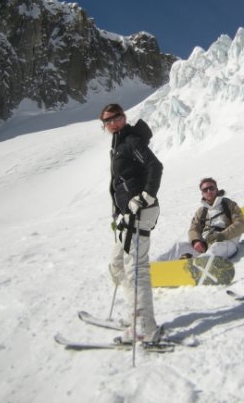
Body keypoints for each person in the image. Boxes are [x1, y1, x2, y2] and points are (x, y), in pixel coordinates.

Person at [100, 103, 163, 341]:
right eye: (108, 120)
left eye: (117, 117)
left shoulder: (131, 141)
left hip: (141, 210)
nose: (113, 122)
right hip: (126, 215)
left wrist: (146, 196)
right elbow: (119, 184)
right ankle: (134, 315)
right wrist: (117, 214)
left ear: (124, 117)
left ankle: (145, 328)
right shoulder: (118, 146)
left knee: (136, 268)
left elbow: (155, 166)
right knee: (117, 265)